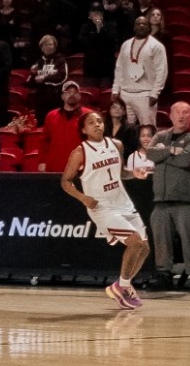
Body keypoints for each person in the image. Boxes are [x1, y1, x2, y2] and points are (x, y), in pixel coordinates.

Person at [61, 112, 151, 309]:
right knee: (134, 242)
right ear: (84, 129)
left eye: (99, 121)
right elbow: (65, 181)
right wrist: (83, 198)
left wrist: (133, 173)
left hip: (123, 202)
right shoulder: (80, 152)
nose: (97, 125)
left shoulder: (116, 145)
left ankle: (121, 285)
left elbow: (120, 174)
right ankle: (123, 286)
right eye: (91, 123)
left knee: (144, 248)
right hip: (102, 207)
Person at [148, 102, 190, 293]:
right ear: (171, 115)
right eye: (178, 112)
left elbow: (186, 160)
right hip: (161, 200)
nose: (181, 116)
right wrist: (172, 150)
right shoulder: (160, 135)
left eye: (186, 113)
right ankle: (164, 274)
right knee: (161, 240)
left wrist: (162, 153)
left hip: (185, 199)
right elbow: (150, 153)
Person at [112, 15, 167, 128]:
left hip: (145, 94)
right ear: (134, 27)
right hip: (125, 94)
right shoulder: (126, 44)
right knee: (124, 129)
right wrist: (115, 89)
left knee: (148, 129)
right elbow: (119, 68)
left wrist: (155, 92)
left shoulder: (156, 46)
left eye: (144, 24)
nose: (141, 26)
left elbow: (161, 70)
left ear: (149, 27)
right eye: (138, 23)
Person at [41, 80, 92, 172]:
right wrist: (42, 162)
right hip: (55, 167)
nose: (71, 94)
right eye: (68, 92)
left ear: (79, 96)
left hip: (80, 169)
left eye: (75, 92)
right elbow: (44, 142)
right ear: (62, 96)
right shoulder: (51, 116)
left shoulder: (89, 115)